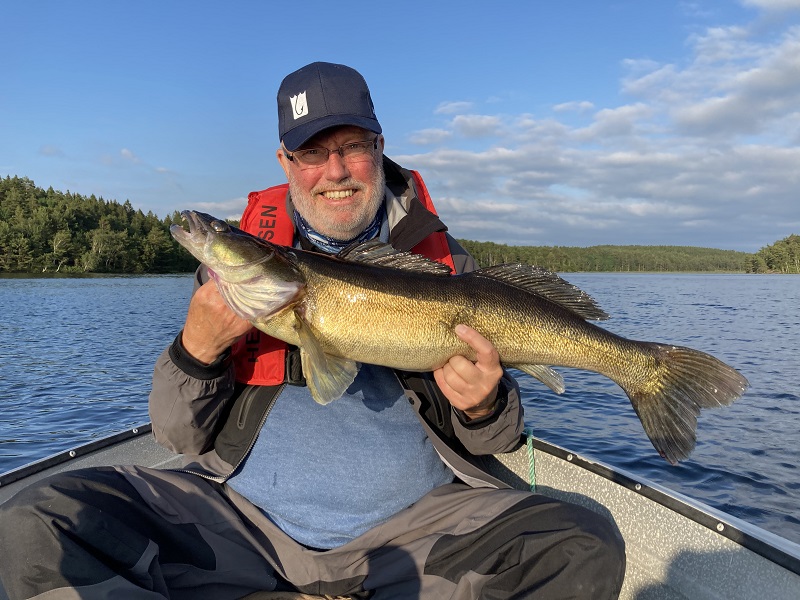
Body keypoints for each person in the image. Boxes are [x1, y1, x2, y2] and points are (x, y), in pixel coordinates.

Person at [0, 62, 625, 599]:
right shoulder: (232, 282)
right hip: (242, 526)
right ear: (285, 161)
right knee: (36, 521)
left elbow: (497, 443)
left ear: (379, 149)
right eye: (312, 153)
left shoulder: (447, 267)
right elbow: (175, 435)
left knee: (581, 544)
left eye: (352, 147)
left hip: (416, 534)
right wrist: (195, 351)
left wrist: (486, 403)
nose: (335, 171)